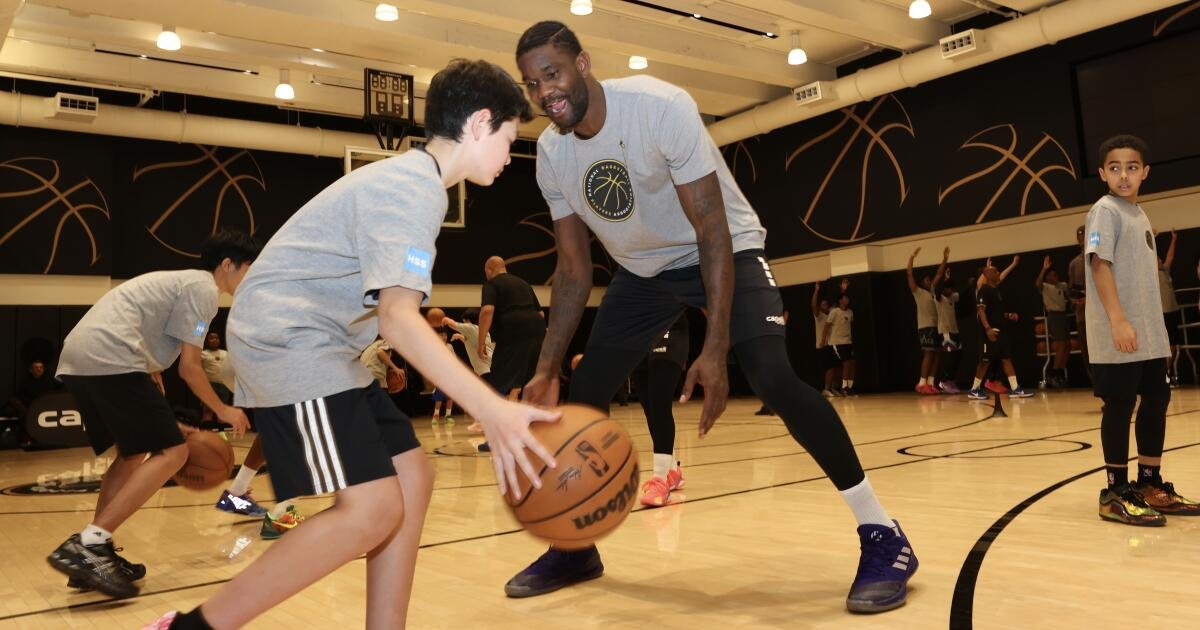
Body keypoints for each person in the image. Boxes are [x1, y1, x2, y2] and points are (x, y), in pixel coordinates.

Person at [507, 21, 918, 614]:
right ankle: (577, 546)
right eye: (532, 83)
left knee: (772, 375)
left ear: (584, 63)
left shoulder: (658, 107)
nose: (545, 92)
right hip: (642, 273)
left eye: (553, 73)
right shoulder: (551, 152)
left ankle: (884, 537)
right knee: (587, 389)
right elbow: (573, 270)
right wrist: (547, 366)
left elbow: (711, 229)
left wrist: (716, 346)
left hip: (724, 247)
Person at [145, 59, 560, 630]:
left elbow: (386, 313)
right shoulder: (410, 188)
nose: (511, 153)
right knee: (371, 509)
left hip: (319, 345)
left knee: (414, 478)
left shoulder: (416, 186)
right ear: (481, 122)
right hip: (289, 342)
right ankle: (193, 628)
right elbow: (398, 319)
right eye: (512, 137)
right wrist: (492, 408)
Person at [47, 230, 255, 599]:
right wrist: (224, 409)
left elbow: (151, 325)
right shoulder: (204, 290)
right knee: (175, 452)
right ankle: (89, 545)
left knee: (132, 454)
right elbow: (191, 368)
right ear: (228, 264)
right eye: (248, 268)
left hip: (81, 358)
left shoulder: (184, 283)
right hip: (110, 356)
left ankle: (96, 550)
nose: (250, 277)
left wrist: (150, 366)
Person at [1085, 134, 1200, 526]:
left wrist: (1151, 330)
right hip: (1119, 333)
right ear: (1102, 173)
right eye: (1114, 168)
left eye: (1131, 167)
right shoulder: (1104, 211)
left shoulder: (1139, 214)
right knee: (1119, 405)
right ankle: (1115, 492)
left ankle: (1149, 484)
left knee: (1156, 401)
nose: (1123, 175)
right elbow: (1100, 265)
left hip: (1147, 335)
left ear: (1145, 172)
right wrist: (1118, 319)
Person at [632, 313, 689, 507]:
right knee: (649, 407)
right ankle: (672, 472)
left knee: (659, 403)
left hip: (669, 328)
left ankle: (659, 479)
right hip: (640, 334)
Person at [478, 257, 546, 399]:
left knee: (499, 376)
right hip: (537, 328)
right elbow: (541, 313)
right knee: (528, 376)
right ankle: (531, 415)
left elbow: (487, 311)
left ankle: (494, 416)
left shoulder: (491, 284)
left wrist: (481, 342)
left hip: (513, 330)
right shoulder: (524, 283)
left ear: (489, 270)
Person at [968, 264, 1034, 401]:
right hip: (990, 332)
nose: (998, 272)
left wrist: (1009, 315)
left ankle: (1015, 388)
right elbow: (981, 311)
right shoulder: (984, 290)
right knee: (984, 362)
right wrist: (988, 329)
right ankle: (974, 389)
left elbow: (996, 313)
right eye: (995, 271)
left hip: (1001, 333)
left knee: (1006, 359)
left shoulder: (996, 291)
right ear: (987, 274)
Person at [442, 309, 494, 432]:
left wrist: (444, 318)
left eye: (464, 320)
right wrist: (460, 336)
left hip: (486, 369)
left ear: (468, 320)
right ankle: (482, 422)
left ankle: (484, 423)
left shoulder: (470, 328)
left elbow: (452, 323)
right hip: (489, 367)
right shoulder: (482, 331)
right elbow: (472, 341)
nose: (463, 322)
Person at [908, 247, 947, 394]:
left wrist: (945, 259)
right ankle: (921, 383)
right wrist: (912, 257)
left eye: (930, 279)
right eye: (926, 279)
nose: (929, 281)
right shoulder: (918, 292)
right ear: (921, 282)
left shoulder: (931, 291)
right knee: (929, 353)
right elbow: (909, 273)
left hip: (937, 326)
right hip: (925, 327)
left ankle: (931, 383)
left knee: (937, 353)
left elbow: (939, 273)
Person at [1036, 255, 1071, 388]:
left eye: (1056, 275)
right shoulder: (1045, 286)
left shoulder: (1062, 285)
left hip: (1063, 315)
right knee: (1061, 344)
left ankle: (1060, 372)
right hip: (1054, 316)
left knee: (1067, 345)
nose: (1055, 277)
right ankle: (1054, 374)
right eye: (1052, 275)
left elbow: (1070, 291)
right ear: (1047, 277)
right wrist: (1044, 269)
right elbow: (1037, 283)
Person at [1157, 230, 1182, 387]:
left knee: (1173, 345)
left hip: (1172, 312)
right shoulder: (1151, 274)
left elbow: (1170, 257)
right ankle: (1162, 375)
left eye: (1159, 259)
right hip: (1163, 314)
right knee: (1166, 346)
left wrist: (1174, 239)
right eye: (1156, 259)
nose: (1159, 260)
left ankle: (1166, 373)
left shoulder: (1164, 271)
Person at [822, 281, 855, 395]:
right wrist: (823, 340)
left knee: (852, 363)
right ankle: (844, 388)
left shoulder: (850, 312)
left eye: (847, 298)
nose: (847, 300)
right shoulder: (834, 311)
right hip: (837, 342)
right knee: (846, 363)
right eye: (845, 298)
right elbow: (826, 326)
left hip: (848, 342)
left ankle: (849, 387)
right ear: (840, 300)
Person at [934, 269, 962, 393]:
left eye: (952, 288)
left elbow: (957, 293)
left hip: (955, 331)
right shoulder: (939, 299)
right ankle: (943, 381)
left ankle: (951, 380)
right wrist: (944, 278)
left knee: (957, 356)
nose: (951, 291)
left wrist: (948, 278)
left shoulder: (952, 297)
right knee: (949, 357)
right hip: (945, 332)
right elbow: (938, 289)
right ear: (944, 289)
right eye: (948, 289)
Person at [811, 281, 841, 397]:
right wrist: (816, 290)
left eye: (826, 304)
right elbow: (813, 305)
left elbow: (839, 304)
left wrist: (842, 290)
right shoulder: (818, 315)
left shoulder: (831, 314)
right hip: (822, 345)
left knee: (838, 367)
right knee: (830, 368)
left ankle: (834, 388)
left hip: (833, 344)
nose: (825, 306)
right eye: (822, 304)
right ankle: (826, 389)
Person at [1068, 225, 1089, 368]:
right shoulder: (1074, 264)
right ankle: (1095, 383)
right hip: (1082, 315)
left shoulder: (1103, 257)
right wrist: (1076, 300)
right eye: (1080, 239)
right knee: (1086, 350)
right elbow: (1071, 290)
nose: (1082, 241)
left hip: (1103, 314)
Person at [430, 330, 457, 424]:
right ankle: (436, 415)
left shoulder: (450, 346)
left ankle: (448, 415)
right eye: (441, 335)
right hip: (439, 375)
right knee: (439, 395)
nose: (444, 336)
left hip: (450, 374)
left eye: (445, 334)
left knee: (450, 396)